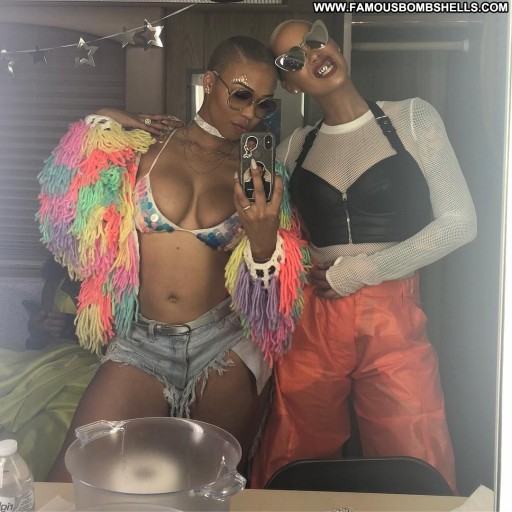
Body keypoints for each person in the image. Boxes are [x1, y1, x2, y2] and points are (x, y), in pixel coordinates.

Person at [37, 35, 309, 482]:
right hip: (140, 343)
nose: (250, 114)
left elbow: (276, 305)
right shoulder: (147, 149)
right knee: (72, 480)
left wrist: (263, 242)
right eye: (241, 95)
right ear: (210, 82)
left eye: (264, 104)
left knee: (211, 490)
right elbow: (70, 187)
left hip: (222, 346)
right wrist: (105, 117)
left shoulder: (259, 173)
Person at [249, 20, 477, 492]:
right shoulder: (293, 148)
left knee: (417, 459)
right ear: (291, 85)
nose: (313, 55)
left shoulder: (412, 118)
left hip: (393, 317)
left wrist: (362, 270)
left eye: (315, 40)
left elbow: (460, 222)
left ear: (331, 41)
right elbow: (275, 233)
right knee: (290, 458)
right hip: (314, 317)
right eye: (293, 59)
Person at [24, 257, 80, 350]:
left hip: (91, 355)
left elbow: (106, 337)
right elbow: (46, 334)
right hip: (56, 352)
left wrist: (73, 328)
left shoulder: (104, 281)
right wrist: (37, 330)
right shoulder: (55, 277)